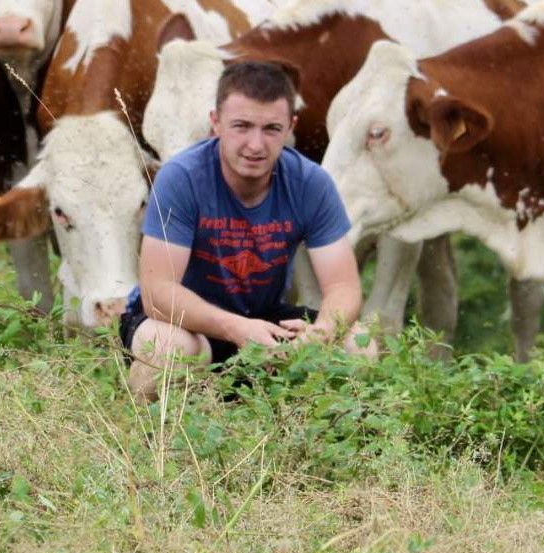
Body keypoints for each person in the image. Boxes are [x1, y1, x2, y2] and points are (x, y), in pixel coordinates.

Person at [121, 60, 374, 399]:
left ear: (290, 127)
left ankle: (317, 442)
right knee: (168, 347)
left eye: (271, 128)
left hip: (263, 318)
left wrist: (323, 331)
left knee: (359, 345)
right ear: (216, 123)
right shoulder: (181, 178)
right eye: (241, 126)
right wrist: (236, 328)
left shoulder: (311, 183)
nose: (256, 145)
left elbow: (343, 285)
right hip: (185, 322)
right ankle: (148, 443)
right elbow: (158, 294)